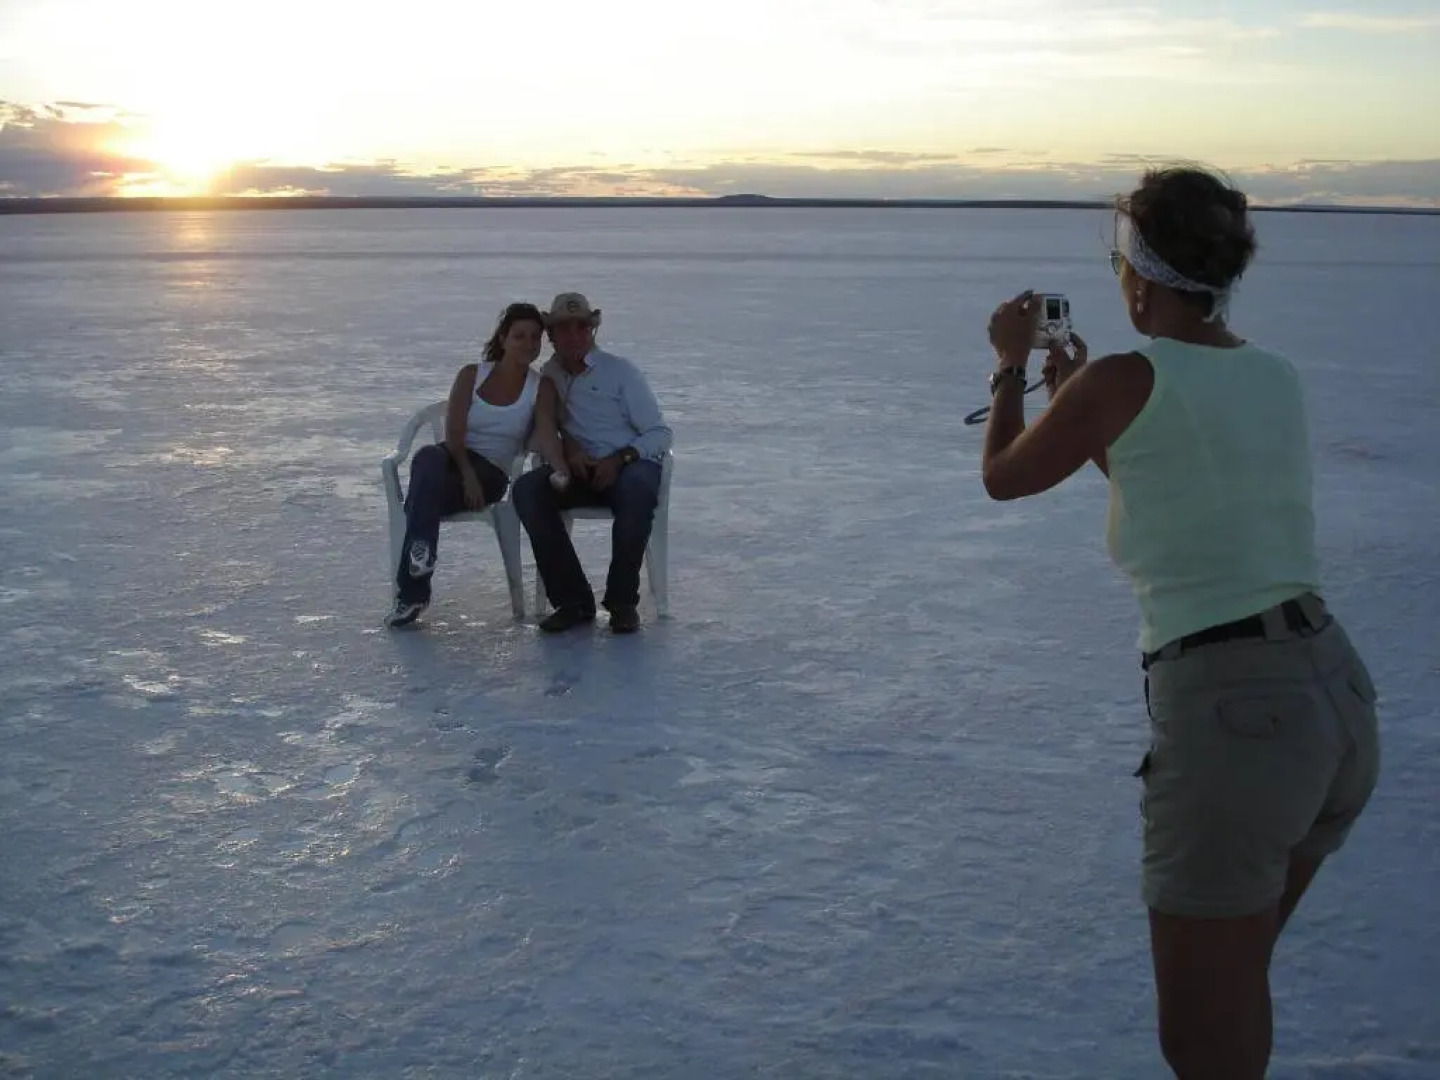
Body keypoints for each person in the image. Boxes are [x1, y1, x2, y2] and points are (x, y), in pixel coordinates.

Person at [977, 165, 1380, 1079]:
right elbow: (1172, 491)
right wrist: (1081, 403)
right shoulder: (1270, 374)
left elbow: (1002, 476)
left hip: (1236, 721)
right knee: (1233, 989)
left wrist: (1008, 368)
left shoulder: (1124, 376)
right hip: (1332, 700)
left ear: (1139, 277)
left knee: (1203, 1037)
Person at [512, 292, 673, 634]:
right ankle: (572, 601)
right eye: (564, 328)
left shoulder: (620, 372)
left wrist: (620, 458)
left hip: (627, 465)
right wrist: (568, 452)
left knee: (639, 488)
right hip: (578, 470)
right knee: (528, 489)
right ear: (551, 336)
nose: (574, 335)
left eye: (582, 327)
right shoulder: (546, 377)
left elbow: (660, 433)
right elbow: (535, 431)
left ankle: (622, 602)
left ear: (592, 332)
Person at [386, 301, 547, 627]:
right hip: (454, 458)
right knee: (428, 456)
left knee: (422, 498)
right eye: (519, 336)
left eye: (535, 337)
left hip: (493, 472)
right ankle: (421, 554)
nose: (528, 344)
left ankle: (412, 593)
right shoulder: (472, 375)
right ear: (503, 338)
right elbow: (455, 431)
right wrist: (466, 473)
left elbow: (540, 434)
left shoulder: (538, 387)